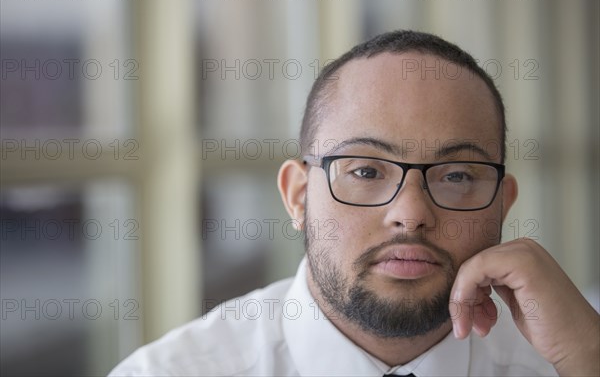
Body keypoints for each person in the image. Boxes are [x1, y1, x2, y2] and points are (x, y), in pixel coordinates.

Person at [109, 30, 599, 376]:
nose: (410, 214)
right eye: (365, 171)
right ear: (298, 196)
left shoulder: (565, 362)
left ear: (502, 203)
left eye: (455, 175)